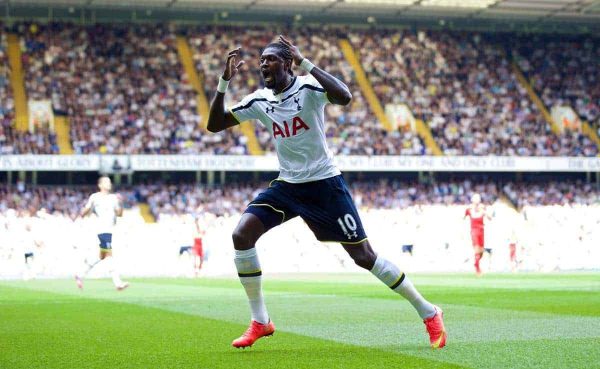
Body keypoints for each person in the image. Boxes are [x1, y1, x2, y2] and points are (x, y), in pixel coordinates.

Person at [207, 35, 446, 349]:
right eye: (262, 60)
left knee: (364, 257)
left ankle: (429, 312)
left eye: (271, 59)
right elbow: (214, 125)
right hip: (288, 186)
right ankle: (261, 322)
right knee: (241, 235)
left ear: (289, 63)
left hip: (324, 185)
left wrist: (306, 62)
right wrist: (224, 81)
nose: (264, 64)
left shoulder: (308, 87)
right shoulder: (260, 100)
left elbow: (344, 96)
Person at [75, 176, 129, 291]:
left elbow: (119, 214)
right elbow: (84, 211)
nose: (109, 184)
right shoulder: (95, 197)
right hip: (101, 230)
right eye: (106, 182)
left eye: (109, 182)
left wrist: (121, 203)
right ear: (100, 185)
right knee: (109, 255)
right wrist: (85, 211)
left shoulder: (114, 198)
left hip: (110, 229)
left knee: (101, 256)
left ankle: (80, 274)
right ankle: (117, 283)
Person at [464, 193, 492, 276]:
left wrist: (484, 212)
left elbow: (490, 218)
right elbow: (463, 218)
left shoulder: (482, 208)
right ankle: (477, 269)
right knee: (476, 249)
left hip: (481, 231)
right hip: (474, 231)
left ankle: (476, 264)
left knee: (481, 252)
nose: (476, 203)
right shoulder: (469, 209)